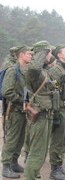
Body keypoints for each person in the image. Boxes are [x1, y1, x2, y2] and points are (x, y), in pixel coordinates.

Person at [23, 41, 56, 180]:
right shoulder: (33, 70)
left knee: (41, 152)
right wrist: (43, 52)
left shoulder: (43, 71)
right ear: (43, 53)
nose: (51, 55)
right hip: (39, 116)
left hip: (46, 115)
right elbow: (34, 69)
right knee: (36, 152)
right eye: (49, 52)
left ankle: (35, 176)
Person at [1, 44, 32, 179]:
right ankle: (5, 166)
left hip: (22, 111)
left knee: (20, 139)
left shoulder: (24, 71)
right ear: (21, 55)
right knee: (12, 139)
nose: (31, 56)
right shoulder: (13, 71)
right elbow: (6, 91)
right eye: (29, 54)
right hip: (14, 110)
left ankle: (14, 162)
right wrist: (21, 101)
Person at [49, 44, 65, 180]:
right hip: (61, 111)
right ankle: (54, 170)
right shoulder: (56, 71)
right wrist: (56, 114)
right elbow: (53, 93)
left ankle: (59, 166)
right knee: (57, 141)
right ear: (58, 55)